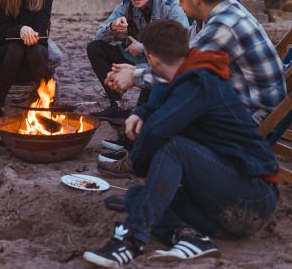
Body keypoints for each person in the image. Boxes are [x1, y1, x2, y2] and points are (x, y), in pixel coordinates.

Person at [84, 20, 278, 267]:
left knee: (172, 147)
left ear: (151, 59)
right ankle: (190, 237)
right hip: (220, 209)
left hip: (252, 199)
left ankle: (131, 240)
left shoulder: (199, 80)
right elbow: (162, 102)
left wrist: (140, 168)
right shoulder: (184, 73)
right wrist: (141, 112)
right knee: (137, 196)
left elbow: (157, 131)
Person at [106, 0, 286, 125]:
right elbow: (184, 49)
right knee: (166, 92)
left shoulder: (224, 25)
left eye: (181, 0)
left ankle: (142, 143)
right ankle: (140, 139)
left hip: (254, 116)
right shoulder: (218, 10)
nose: (179, 5)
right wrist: (138, 67)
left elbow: (183, 68)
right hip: (238, 97)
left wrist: (134, 76)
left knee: (170, 94)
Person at [87, 0, 189, 122]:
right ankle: (117, 105)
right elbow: (98, 35)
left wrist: (142, 47)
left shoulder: (170, 5)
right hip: (137, 59)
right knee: (95, 48)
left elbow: (182, 47)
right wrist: (113, 27)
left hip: (161, 64)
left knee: (142, 114)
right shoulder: (127, 3)